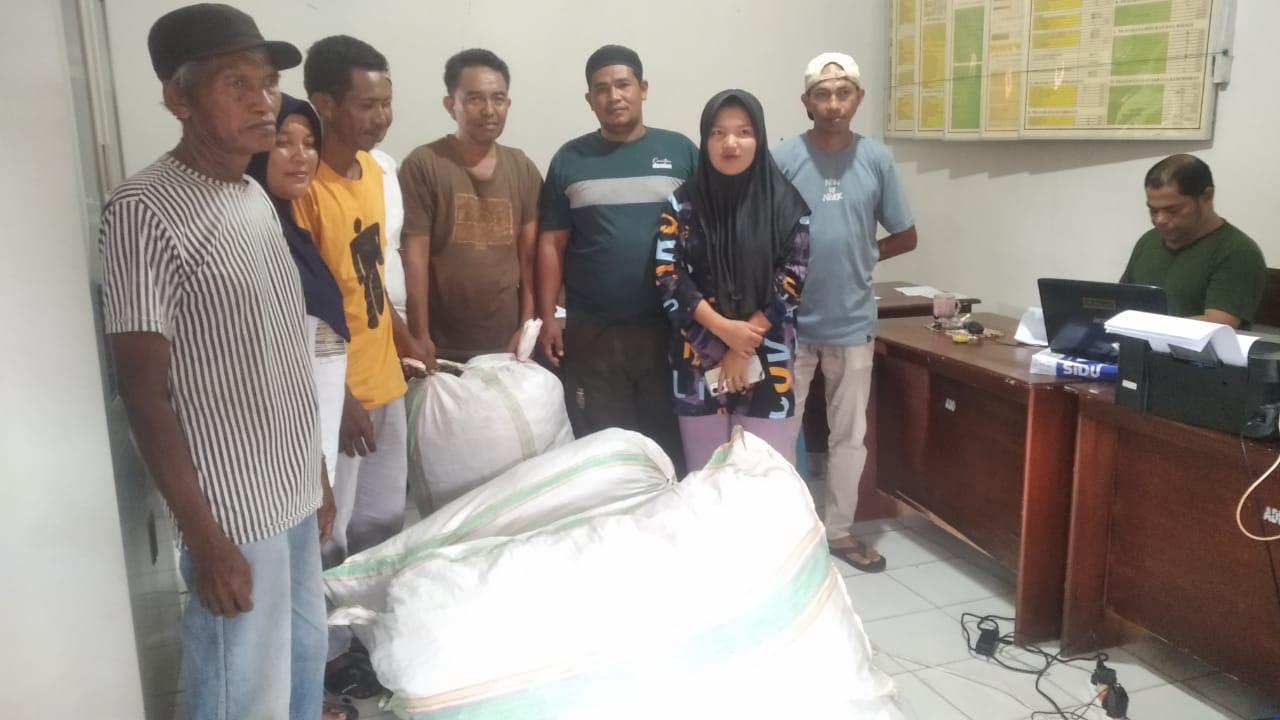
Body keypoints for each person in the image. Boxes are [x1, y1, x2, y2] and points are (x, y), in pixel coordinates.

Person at [99, 5, 332, 718]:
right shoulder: (143, 209)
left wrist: (316, 472)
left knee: (302, 664)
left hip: (291, 490)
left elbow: (282, 348)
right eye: (237, 84)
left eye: (267, 84)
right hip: (232, 512)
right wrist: (205, 539)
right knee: (243, 692)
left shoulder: (253, 194)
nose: (264, 103)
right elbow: (144, 394)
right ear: (179, 98)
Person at [295, 34, 421, 699]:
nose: (381, 117)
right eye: (367, 105)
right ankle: (326, 657)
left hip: (385, 381)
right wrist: (339, 401)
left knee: (381, 525)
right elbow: (305, 307)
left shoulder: (373, 172)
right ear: (324, 103)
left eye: (387, 103)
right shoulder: (303, 189)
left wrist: (404, 335)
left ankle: (367, 641)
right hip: (337, 397)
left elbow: (370, 276)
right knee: (332, 534)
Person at [774, 52, 918, 573]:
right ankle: (782, 531)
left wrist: (863, 252)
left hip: (853, 323)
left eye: (843, 93)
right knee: (779, 434)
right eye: (822, 94)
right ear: (806, 101)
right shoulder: (783, 158)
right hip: (791, 323)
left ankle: (837, 531)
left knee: (849, 437)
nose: (833, 104)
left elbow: (906, 234)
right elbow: (761, 232)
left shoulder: (876, 159)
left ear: (858, 98)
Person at [537, 45, 696, 473]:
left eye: (623, 85)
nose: (614, 96)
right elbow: (551, 243)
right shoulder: (570, 159)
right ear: (589, 99)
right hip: (594, 333)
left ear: (643, 88)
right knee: (604, 454)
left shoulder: (681, 152)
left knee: (669, 449)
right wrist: (549, 316)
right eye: (601, 89)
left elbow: (705, 235)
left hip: (668, 328)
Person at [655, 89, 810, 470]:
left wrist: (742, 347)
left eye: (743, 132)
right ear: (704, 139)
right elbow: (667, 273)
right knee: (706, 477)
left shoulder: (788, 205)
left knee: (763, 477)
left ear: (759, 137)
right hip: (697, 357)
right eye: (717, 132)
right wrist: (724, 331)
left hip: (768, 355)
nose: (730, 143)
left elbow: (792, 278)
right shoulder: (682, 203)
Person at [399, 48, 542, 364]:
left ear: (508, 104)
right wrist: (419, 335)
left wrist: (526, 327)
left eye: (498, 99)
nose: (489, 110)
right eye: (475, 99)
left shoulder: (522, 168)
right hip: (441, 346)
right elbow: (415, 257)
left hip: (507, 345)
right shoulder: (424, 164)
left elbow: (530, 258)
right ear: (450, 105)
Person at [1120, 154, 1266, 328]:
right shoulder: (1149, 241)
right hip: (1137, 343)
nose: (1160, 220)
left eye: (1172, 210)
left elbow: (1217, 324)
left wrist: (1147, 327)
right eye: (1153, 210)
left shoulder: (1238, 252)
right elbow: (1120, 302)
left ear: (1207, 197)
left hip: (1194, 347)